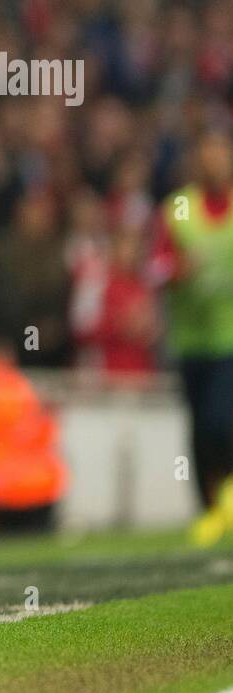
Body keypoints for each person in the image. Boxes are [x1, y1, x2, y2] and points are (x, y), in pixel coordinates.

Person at [151, 129, 233, 546]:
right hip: (190, 341)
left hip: (230, 339)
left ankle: (228, 495)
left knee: (222, 420)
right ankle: (209, 510)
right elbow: (155, 266)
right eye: (206, 155)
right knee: (200, 428)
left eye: (220, 153)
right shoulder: (179, 207)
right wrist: (178, 269)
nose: (213, 162)